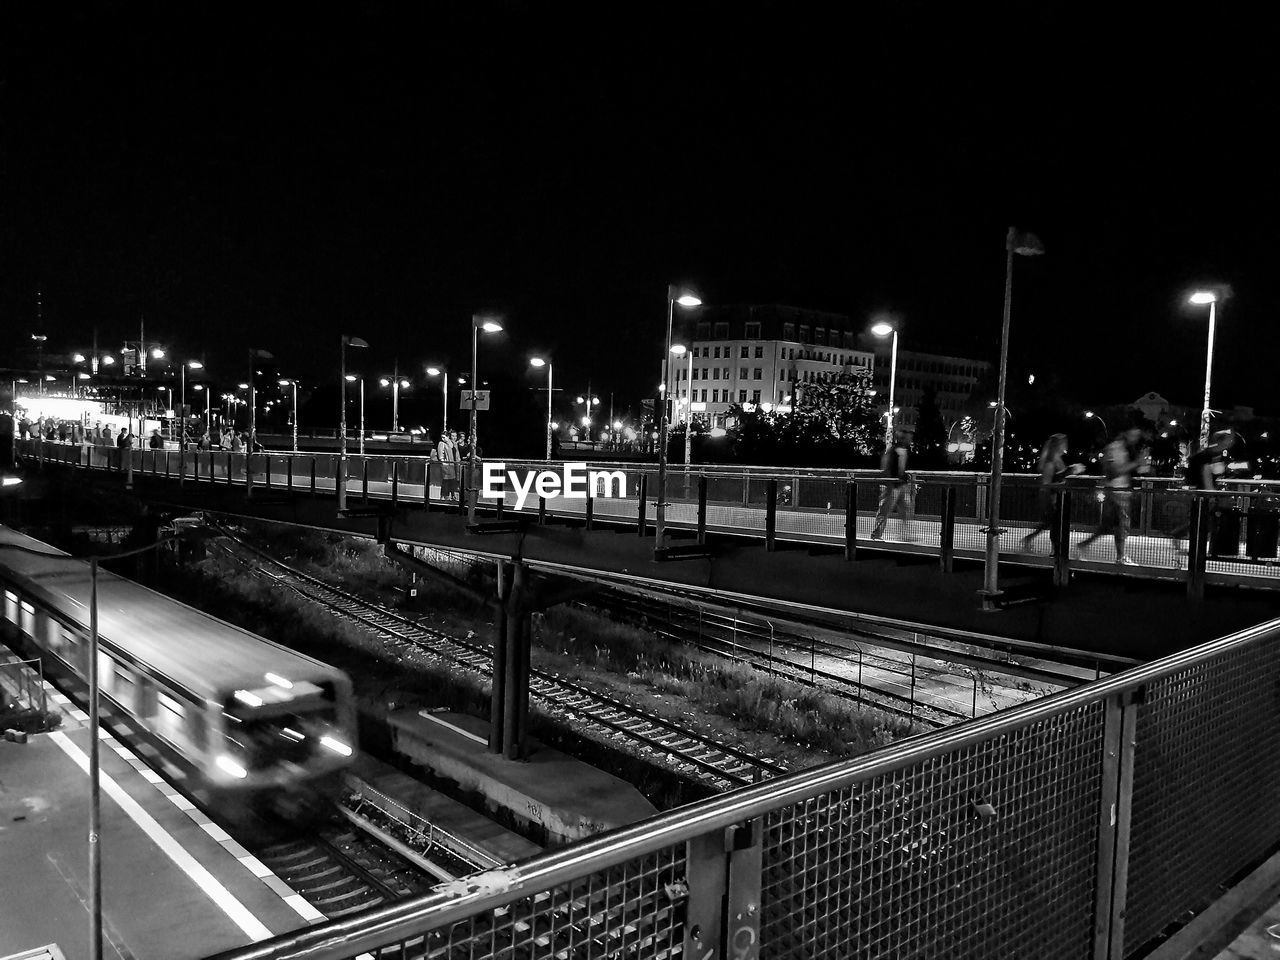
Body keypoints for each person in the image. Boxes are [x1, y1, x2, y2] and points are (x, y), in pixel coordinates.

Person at [1074, 426, 1149, 565]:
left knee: (1109, 525)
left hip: (1118, 490)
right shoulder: (1116, 448)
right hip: (1116, 491)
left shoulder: (1122, 449)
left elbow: (1140, 469)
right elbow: (1114, 471)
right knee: (1122, 524)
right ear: (1126, 433)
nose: (1136, 439)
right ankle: (1120, 557)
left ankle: (1085, 546)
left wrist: (1139, 464)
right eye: (1134, 435)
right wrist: (1136, 463)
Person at [1022, 434, 1084, 553]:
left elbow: (1058, 476)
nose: (1066, 444)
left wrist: (1071, 470)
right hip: (1050, 497)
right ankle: (1054, 550)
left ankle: (1037, 543)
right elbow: (1047, 483)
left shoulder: (1057, 459)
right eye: (1063, 442)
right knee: (1053, 523)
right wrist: (1065, 479)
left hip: (1056, 496)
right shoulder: (1050, 461)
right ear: (1058, 445)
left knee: (1050, 523)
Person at [871, 430, 915, 541]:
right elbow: (886, 468)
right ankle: (876, 535)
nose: (910, 440)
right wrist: (889, 483)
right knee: (885, 510)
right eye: (908, 438)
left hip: (901, 485)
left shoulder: (902, 451)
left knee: (905, 511)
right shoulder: (892, 451)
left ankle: (904, 535)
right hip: (892, 486)